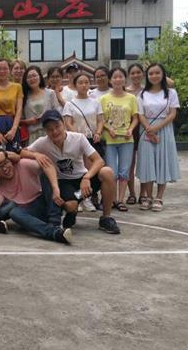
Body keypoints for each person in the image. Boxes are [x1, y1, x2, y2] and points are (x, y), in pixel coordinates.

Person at [26, 110, 121, 234]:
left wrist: (87, 178)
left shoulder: (78, 138)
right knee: (71, 206)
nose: (55, 131)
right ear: (46, 131)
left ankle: (106, 217)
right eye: (50, 129)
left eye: (57, 126)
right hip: (66, 184)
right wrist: (36, 155)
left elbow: (99, 161)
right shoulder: (43, 142)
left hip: (84, 183)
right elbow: (22, 152)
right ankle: (72, 212)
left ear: (63, 124)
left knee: (107, 172)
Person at [0, 150, 71, 244]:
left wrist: (55, 188)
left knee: (46, 175)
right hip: (29, 213)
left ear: (11, 161)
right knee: (14, 212)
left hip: (42, 202)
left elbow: (48, 165)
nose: (4, 169)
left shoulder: (23, 164)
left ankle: (55, 223)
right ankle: (54, 233)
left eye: (5, 163)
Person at [136, 63, 181, 212]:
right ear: (147, 76)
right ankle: (148, 196)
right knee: (147, 163)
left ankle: (159, 197)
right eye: (151, 73)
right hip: (146, 130)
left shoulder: (171, 93)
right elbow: (140, 114)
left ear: (163, 75)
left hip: (164, 130)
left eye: (157, 73)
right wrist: (149, 129)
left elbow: (172, 114)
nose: (154, 76)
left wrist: (157, 128)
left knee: (163, 162)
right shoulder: (142, 94)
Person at [62, 72, 104, 212]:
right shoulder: (70, 104)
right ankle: (78, 200)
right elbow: (67, 122)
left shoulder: (95, 102)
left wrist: (98, 132)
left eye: (86, 82)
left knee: (90, 171)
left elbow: (100, 120)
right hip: (76, 141)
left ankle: (87, 198)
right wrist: (79, 136)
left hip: (92, 140)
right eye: (80, 82)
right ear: (75, 85)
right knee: (78, 170)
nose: (84, 85)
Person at [100, 67, 138, 211]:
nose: (117, 79)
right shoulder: (104, 99)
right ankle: (113, 199)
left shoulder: (131, 98)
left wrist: (131, 129)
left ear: (125, 79)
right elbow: (100, 119)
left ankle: (120, 200)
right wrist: (108, 128)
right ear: (110, 80)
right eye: (114, 77)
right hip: (109, 140)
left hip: (127, 140)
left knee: (124, 171)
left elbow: (135, 118)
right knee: (112, 172)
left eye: (120, 76)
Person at [21, 65, 60, 144]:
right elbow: (19, 120)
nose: (32, 79)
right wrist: (27, 121)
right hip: (32, 136)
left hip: (50, 134)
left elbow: (57, 114)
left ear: (40, 77)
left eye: (34, 76)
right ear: (26, 80)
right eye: (29, 77)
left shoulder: (50, 93)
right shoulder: (23, 96)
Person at [126, 63, 145, 206]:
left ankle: (143, 194)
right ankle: (132, 193)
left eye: (138, 72)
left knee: (144, 163)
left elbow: (170, 84)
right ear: (129, 75)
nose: (136, 75)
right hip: (129, 129)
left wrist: (151, 68)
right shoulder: (125, 91)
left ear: (143, 74)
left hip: (145, 128)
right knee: (130, 164)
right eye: (133, 73)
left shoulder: (147, 91)